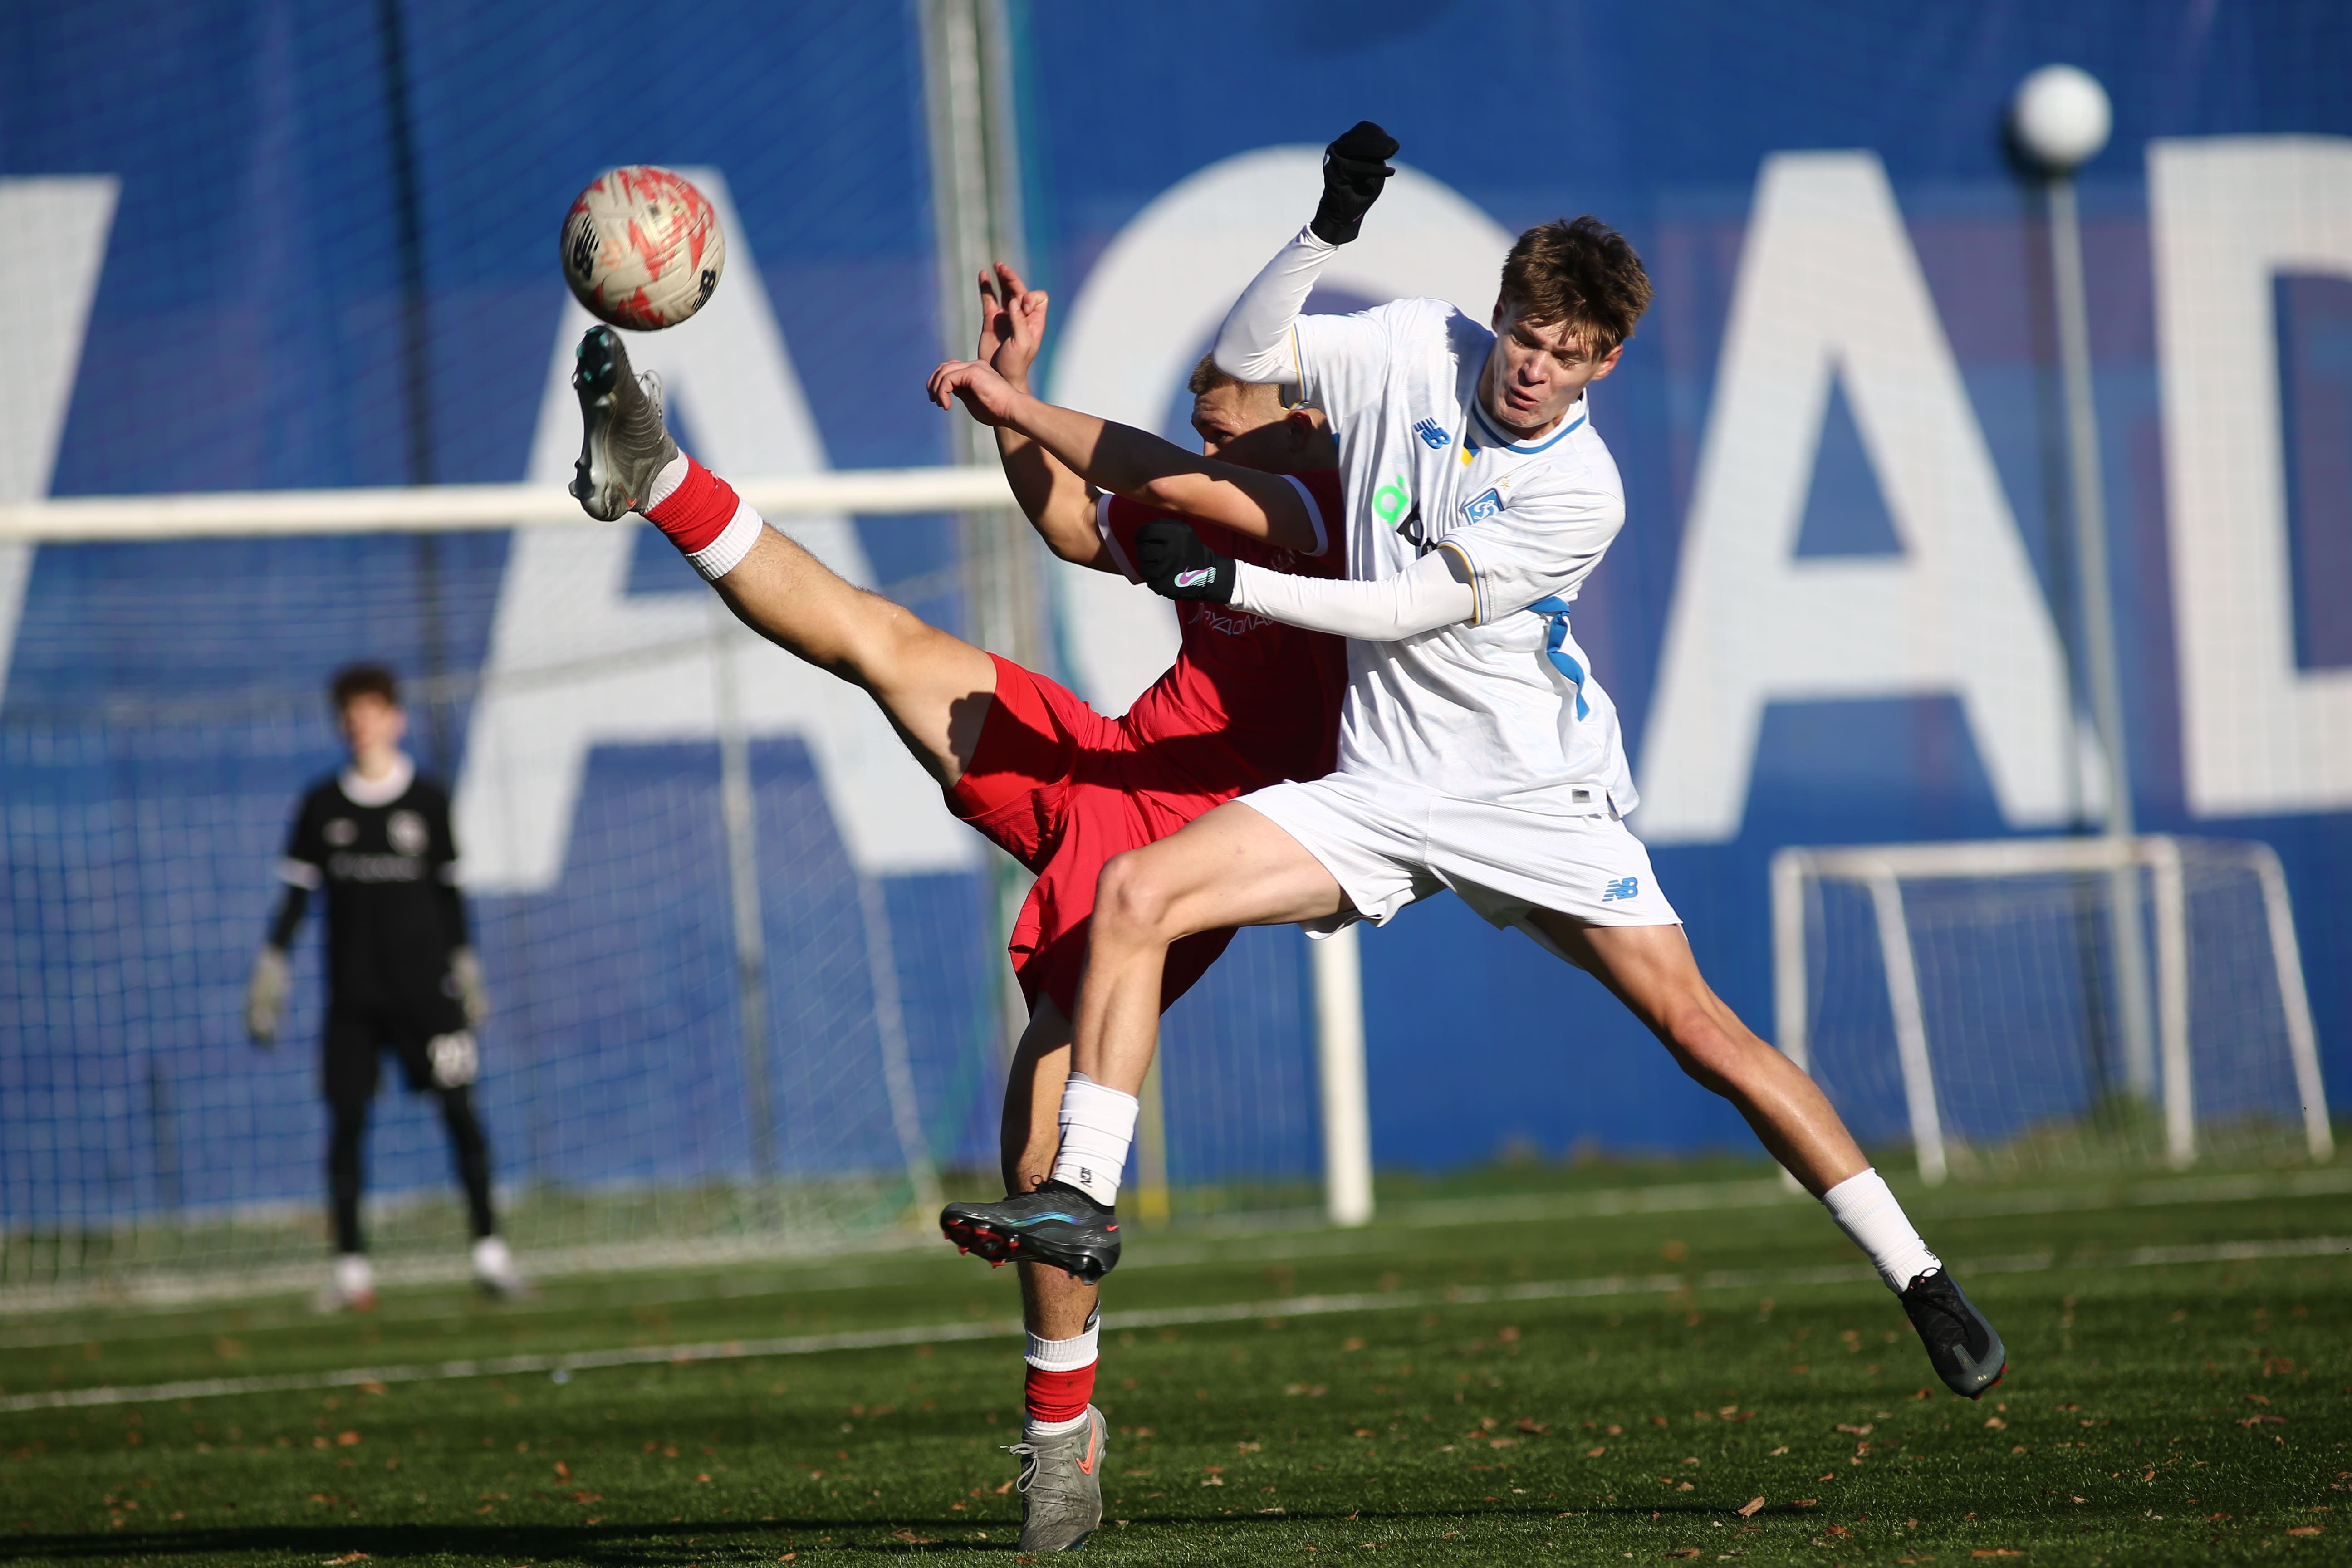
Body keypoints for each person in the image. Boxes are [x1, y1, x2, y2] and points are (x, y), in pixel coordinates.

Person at [926, 123, 2008, 1404]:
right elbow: (1239, 372)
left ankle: (1919, 1276)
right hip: (1381, 788)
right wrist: (1324, 234)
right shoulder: (1418, 347)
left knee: (1700, 1032)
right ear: (1500, 311)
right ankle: (1084, 1198)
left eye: (1571, 355)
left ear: (1605, 363)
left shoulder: (1583, 493)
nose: (1536, 370)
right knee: (1138, 896)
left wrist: (1236, 581)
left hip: (1528, 798)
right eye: (1528, 336)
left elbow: (1403, 611)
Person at [567, 264, 1349, 1550]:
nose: (1205, 417)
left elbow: (1176, 476)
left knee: (1040, 1147)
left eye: (1223, 404)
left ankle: (1060, 1446)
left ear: (1300, 411)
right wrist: (1019, 412)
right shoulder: (1234, 486)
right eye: (1200, 413)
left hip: (1198, 846)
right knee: (879, 641)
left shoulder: (1314, 495)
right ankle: (655, 474)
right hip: (1110, 769)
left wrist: (1012, 400)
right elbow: (1067, 527)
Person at [245, 663, 526, 1311]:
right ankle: (351, 1271)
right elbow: (295, 898)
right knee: (346, 1125)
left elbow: (449, 895)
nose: (361, 722)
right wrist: (273, 964)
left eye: (372, 709)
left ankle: (490, 1255)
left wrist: (466, 965)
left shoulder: (427, 800)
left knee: (462, 1115)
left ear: (394, 718)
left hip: (428, 996)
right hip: (354, 998)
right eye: (350, 711)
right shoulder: (322, 805)